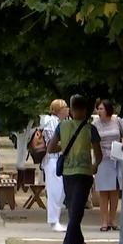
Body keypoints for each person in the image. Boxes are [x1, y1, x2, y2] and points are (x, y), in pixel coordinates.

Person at [47, 95, 103, 244]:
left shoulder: (62, 126)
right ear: (85, 111)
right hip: (84, 173)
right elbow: (99, 154)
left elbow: (50, 148)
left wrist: (64, 147)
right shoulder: (90, 129)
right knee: (76, 211)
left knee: (74, 210)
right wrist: (95, 166)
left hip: (68, 173)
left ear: (71, 110)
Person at [92, 99, 123, 231]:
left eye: (101, 109)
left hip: (116, 157)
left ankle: (112, 219)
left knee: (114, 190)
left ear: (108, 109)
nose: (99, 111)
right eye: (98, 109)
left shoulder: (117, 121)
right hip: (103, 158)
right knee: (104, 190)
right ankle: (104, 221)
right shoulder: (95, 124)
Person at [41, 99, 69, 232]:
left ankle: (55, 219)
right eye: (65, 107)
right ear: (59, 110)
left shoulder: (61, 122)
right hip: (52, 159)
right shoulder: (52, 121)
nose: (68, 110)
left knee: (60, 191)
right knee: (55, 191)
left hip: (58, 159)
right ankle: (53, 220)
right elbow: (53, 143)